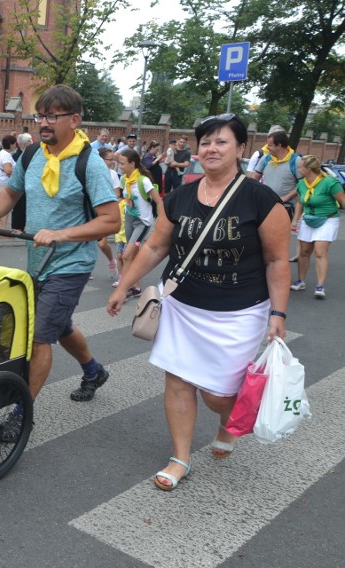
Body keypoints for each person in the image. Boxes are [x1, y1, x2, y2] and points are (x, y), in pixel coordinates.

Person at [106, 114, 290, 491]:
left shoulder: (260, 200)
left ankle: (227, 421)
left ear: (241, 149)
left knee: (218, 394)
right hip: (183, 305)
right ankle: (180, 457)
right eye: (206, 142)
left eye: (221, 142)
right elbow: (156, 245)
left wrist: (278, 312)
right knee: (178, 381)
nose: (211, 148)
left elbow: (276, 260)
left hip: (239, 311)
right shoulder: (181, 196)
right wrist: (124, 284)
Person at [0, 85, 119, 438]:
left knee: (39, 337)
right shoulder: (33, 153)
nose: (44, 123)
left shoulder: (89, 164)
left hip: (71, 262)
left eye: (53, 116)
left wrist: (61, 233)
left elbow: (111, 221)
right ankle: (93, 370)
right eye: (41, 115)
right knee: (59, 324)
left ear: (75, 120)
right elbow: (11, 191)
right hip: (38, 260)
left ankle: (23, 413)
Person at [290, 154, 345, 299]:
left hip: (328, 219)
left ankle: (320, 286)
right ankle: (301, 281)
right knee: (304, 251)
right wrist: (295, 219)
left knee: (320, 252)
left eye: (300, 167)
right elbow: (300, 202)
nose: (298, 169)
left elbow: (343, 200)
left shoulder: (330, 182)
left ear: (308, 169)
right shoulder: (302, 183)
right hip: (308, 219)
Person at [117, 148, 163, 297]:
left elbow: (159, 201)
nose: (120, 167)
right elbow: (125, 199)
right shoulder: (124, 179)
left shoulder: (143, 181)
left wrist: (161, 224)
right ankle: (136, 287)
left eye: (123, 164)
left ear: (132, 164)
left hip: (142, 224)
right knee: (132, 255)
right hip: (130, 220)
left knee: (126, 255)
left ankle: (123, 289)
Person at [248, 130, 301, 218]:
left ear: (279, 145)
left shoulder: (296, 161)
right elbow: (254, 179)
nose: (267, 147)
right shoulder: (266, 158)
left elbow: (302, 185)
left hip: (286, 207)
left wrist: (285, 198)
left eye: (270, 145)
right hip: (265, 206)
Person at [97, 146, 120, 282]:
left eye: (113, 159)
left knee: (101, 244)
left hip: (105, 212)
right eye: (109, 159)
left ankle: (111, 261)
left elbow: (117, 193)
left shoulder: (112, 174)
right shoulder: (93, 172)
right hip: (92, 211)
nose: (112, 162)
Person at [10, 132, 32, 232]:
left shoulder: (30, 154)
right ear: (25, 143)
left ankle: (21, 226)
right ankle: (17, 227)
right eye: (29, 140)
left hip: (28, 183)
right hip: (19, 183)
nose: (32, 142)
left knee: (24, 206)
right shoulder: (16, 155)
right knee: (19, 205)